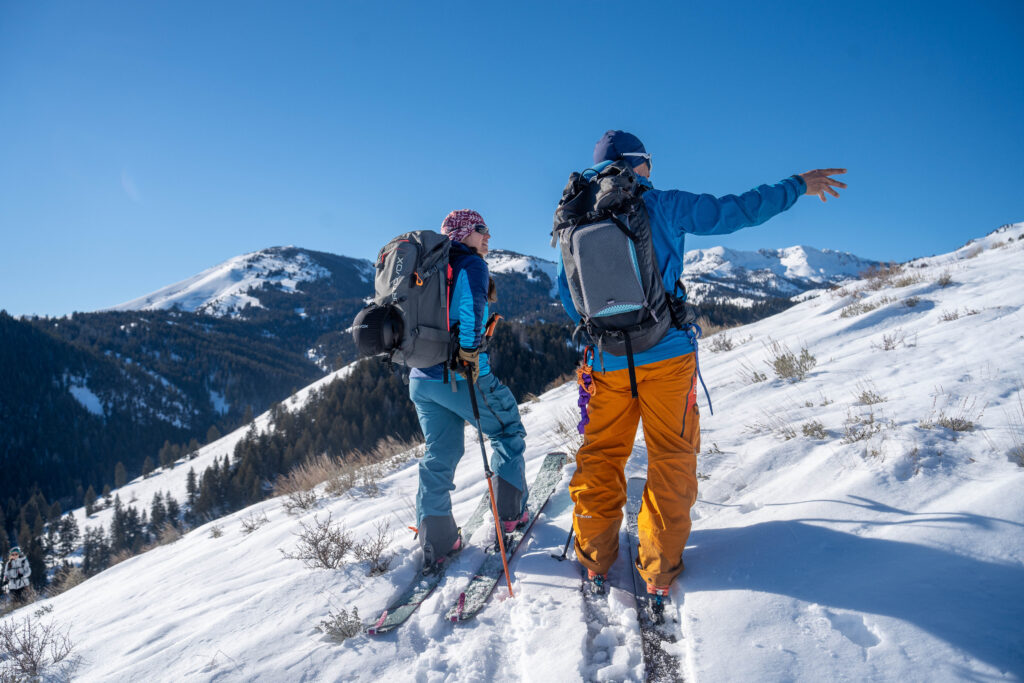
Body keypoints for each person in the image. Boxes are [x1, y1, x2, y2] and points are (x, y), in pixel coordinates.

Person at [559, 130, 846, 595]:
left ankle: (594, 560)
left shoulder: (572, 215)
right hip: (668, 358)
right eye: (648, 161)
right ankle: (658, 572)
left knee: (601, 457)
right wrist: (798, 185)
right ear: (638, 163)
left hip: (605, 363)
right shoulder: (664, 203)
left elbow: (569, 299)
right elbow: (737, 211)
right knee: (671, 459)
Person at [409, 209, 529, 573]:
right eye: (481, 230)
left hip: (420, 379)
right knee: (506, 428)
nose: (488, 236)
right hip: (458, 375)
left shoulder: (429, 270)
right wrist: (469, 353)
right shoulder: (470, 265)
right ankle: (509, 516)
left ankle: (439, 540)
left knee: (440, 453)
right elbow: (471, 307)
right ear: (462, 234)